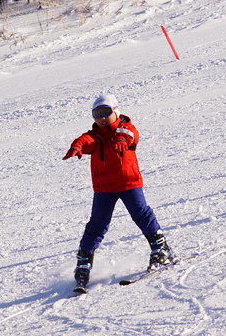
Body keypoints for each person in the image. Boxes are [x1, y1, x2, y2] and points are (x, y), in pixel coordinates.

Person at [64, 94, 175, 292]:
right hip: (104, 187)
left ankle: (161, 248)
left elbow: (130, 134)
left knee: (141, 213)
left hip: (128, 183)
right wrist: (77, 146)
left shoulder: (125, 128)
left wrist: (122, 140)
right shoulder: (95, 136)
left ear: (115, 111)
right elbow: (85, 139)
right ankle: (83, 263)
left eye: (105, 112)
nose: (101, 118)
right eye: (97, 114)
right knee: (97, 224)